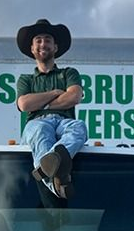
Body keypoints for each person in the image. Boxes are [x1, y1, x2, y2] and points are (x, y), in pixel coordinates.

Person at [16, 19, 88, 199]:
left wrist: (40, 103)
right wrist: (56, 93)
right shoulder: (26, 79)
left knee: (79, 127)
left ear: (55, 47)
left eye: (47, 39)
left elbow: (74, 96)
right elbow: (24, 104)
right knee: (40, 130)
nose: (43, 44)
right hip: (36, 123)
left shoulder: (70, 73)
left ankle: (47, 165)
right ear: (32, 49)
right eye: (38, 40)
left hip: (64, 121)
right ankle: (56, 184)